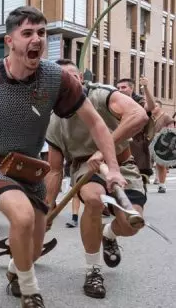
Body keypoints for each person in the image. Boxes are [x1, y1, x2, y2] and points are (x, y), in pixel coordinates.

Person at [0, 6, 125, 307]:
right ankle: (30, 291)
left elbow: (96, 121)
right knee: (23, 217)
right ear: (10, 41)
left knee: (37, 239)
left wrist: (115, 168)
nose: (37, 40)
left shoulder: (56, 78)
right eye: (27, 33)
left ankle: (17, 269)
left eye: (41, 33)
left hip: (30, 169)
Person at [45, 58, 149, 299]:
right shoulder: (54, 120)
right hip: (85, 169)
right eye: (60, 79)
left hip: (122, 165)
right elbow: (54, 170)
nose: (67, 81)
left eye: (72, 76)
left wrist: (104, 150)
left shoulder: (102, 95)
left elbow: (139, 115)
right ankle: (93, 270)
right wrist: (48, 207)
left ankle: (109, 234)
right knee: (93, 199)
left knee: (131, 225)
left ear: (80, 78)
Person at [115, 77, 156, 189]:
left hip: (136, 142)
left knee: (140, 178)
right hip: (118, 141)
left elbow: (151, 106)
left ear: (131, 88)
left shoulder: (138, 101)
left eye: (124, 87)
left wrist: (146, 87)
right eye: (118, 87)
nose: (120, 90)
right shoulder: (113, 100)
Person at [149, 100, 175, 193]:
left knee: (160, 164)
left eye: (155, 106)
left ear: (160, 107)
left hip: (161, 143)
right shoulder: (149, 116)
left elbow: (171, 130)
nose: (153, 108)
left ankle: (162, 185)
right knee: (146, 163)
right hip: (148, 142)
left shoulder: (166, 117)